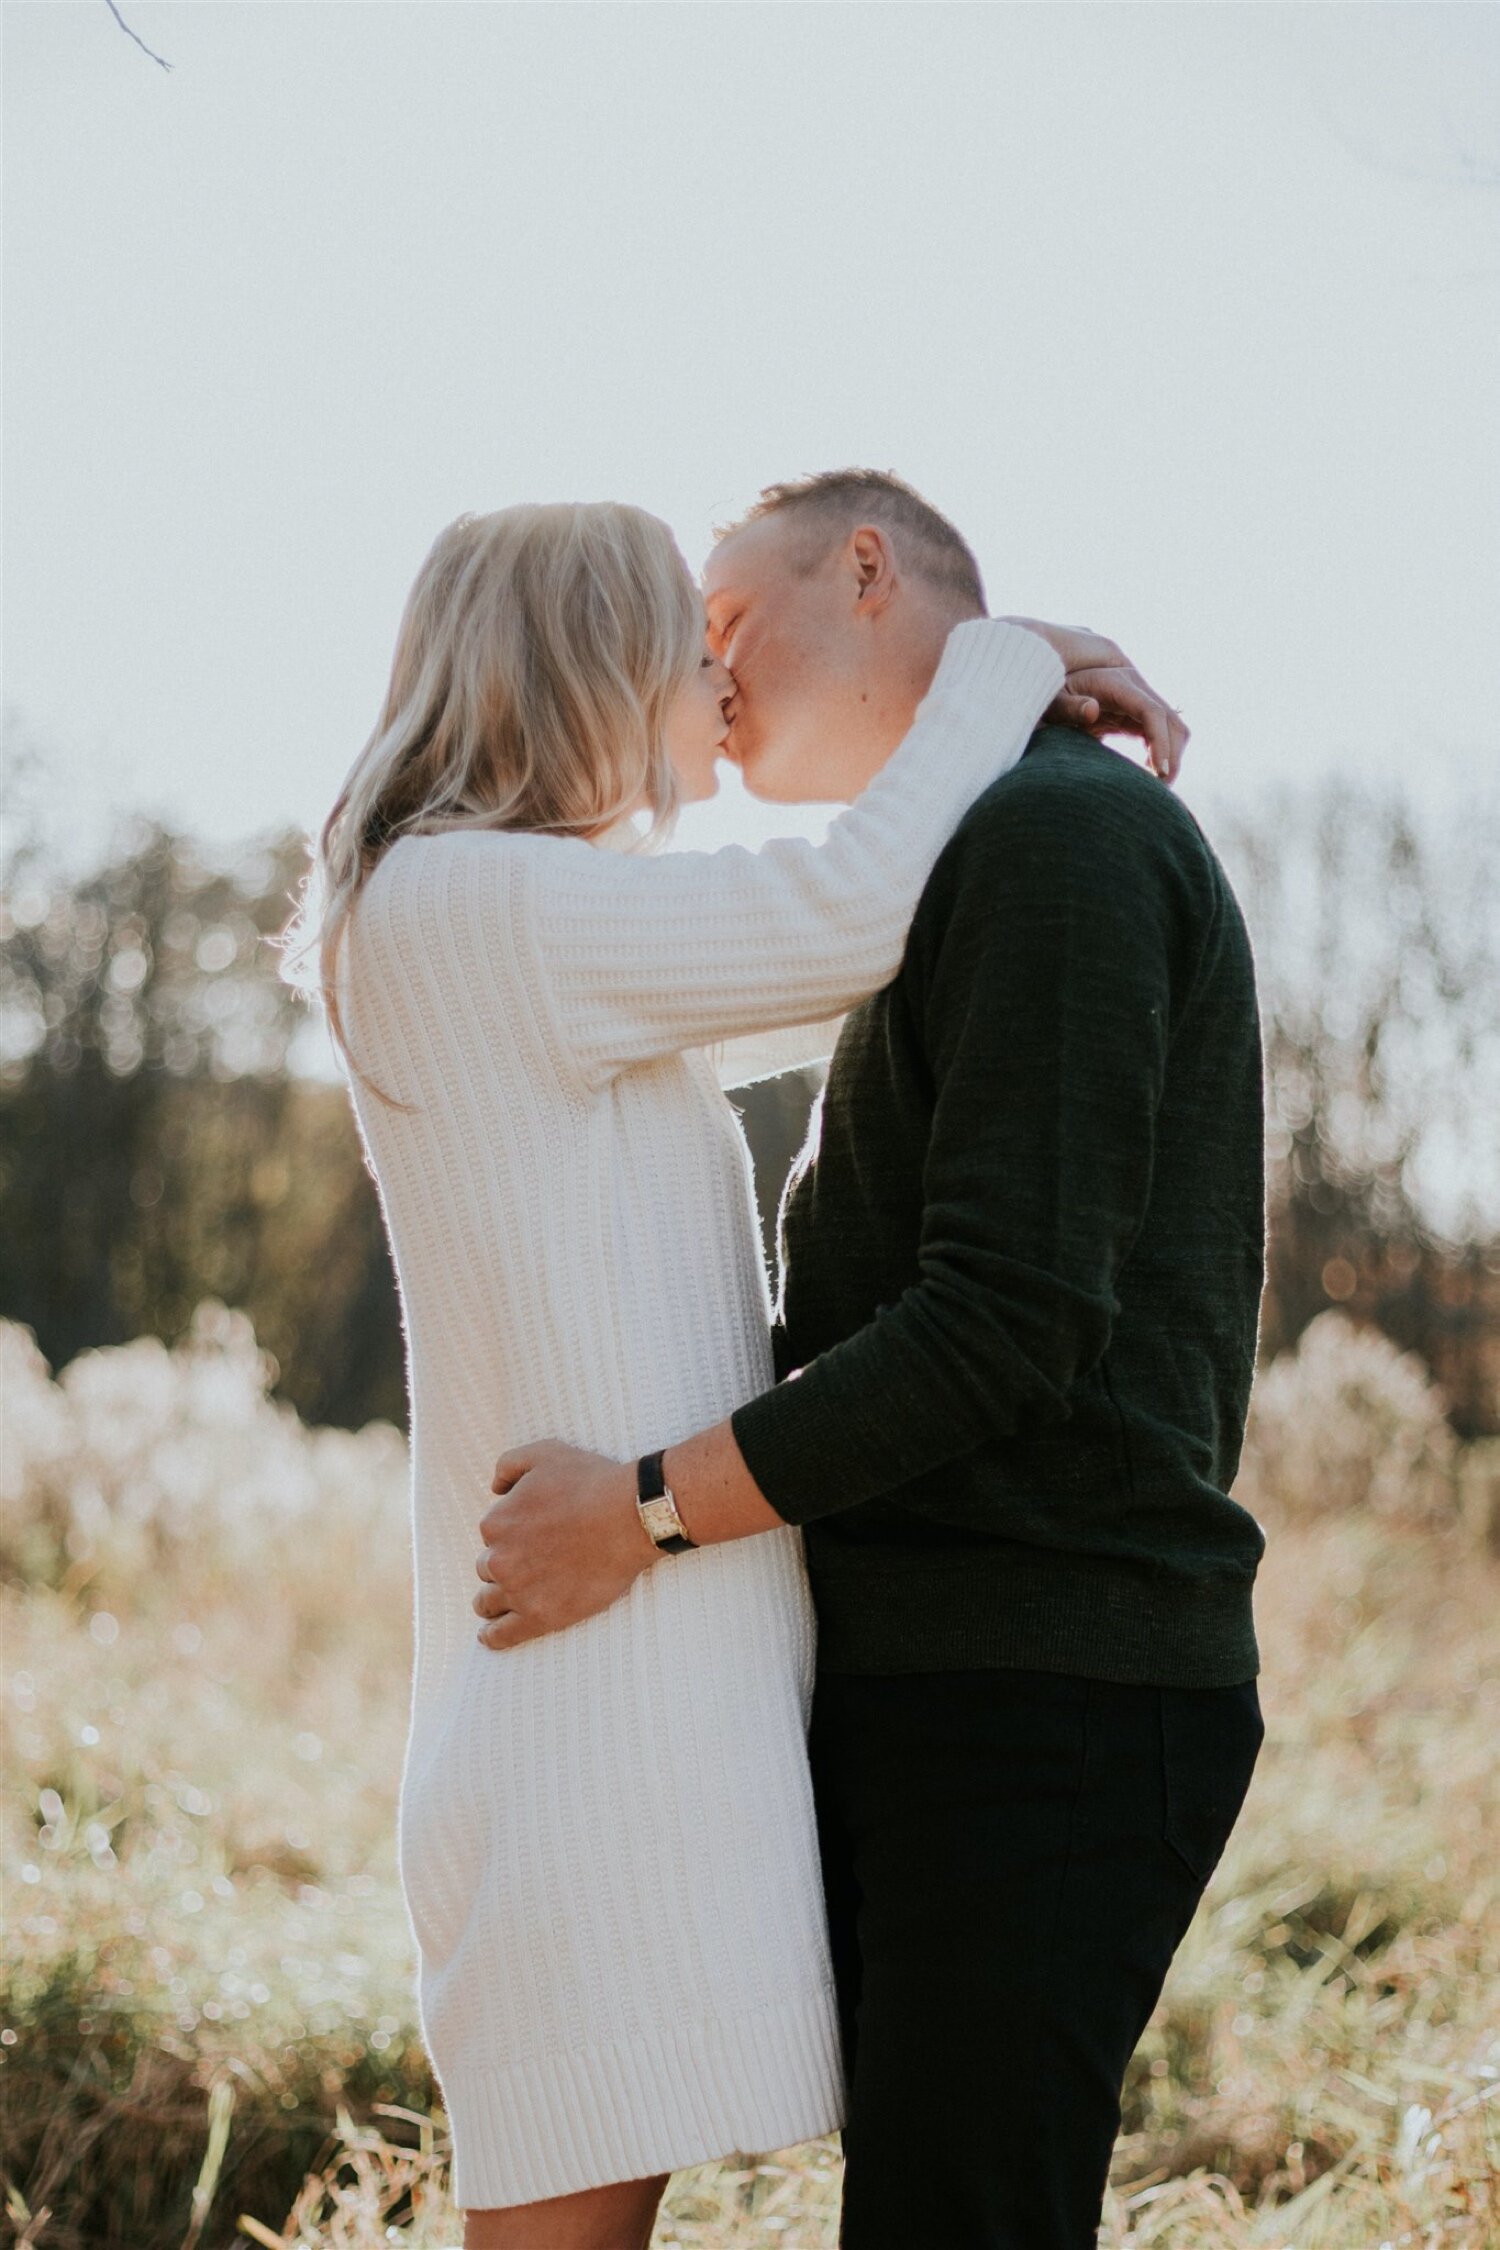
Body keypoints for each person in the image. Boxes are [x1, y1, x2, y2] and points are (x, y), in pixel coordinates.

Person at [293, 492, 1181, 2250]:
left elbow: (853, 960)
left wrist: (983, 737)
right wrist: (997, 669)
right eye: (681, 641)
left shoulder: (524, 923)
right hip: (586, 1713)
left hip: (641, 1688)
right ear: (585, 662)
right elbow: (844, 921)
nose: (713, 677)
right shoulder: (475, 907)